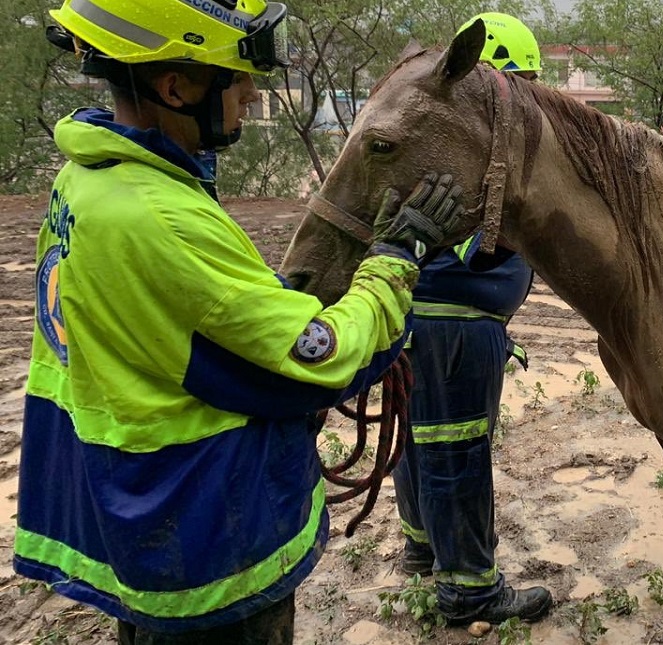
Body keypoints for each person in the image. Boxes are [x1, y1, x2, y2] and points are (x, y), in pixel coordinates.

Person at [16, 1, 466, 643]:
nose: (252, 91)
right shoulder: (157, 215)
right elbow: (322, 358)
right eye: (238, 76)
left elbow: (179, 320)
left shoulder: (88, 180)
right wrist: (394, 263)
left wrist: (261, 300)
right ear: (176, 86)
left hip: (138, 514)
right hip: (205, 531)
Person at [389, 11, 553, 627]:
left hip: (420, 322)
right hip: (452, 329)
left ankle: (422, 547)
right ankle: (470, 592)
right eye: (525, 88)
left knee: (419, 438)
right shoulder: (476, 156)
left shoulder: (441, 139)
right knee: (455, 451)